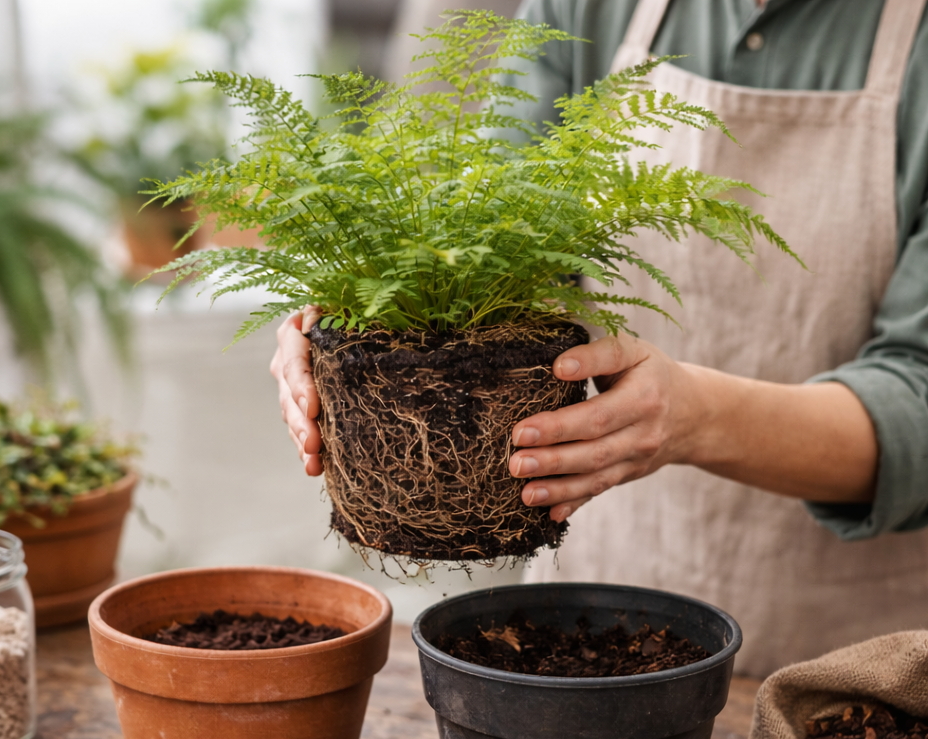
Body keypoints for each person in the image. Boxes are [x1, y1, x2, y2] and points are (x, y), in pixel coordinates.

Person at [271, 0, 928, 677]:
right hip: (589, 630)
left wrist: (694, 417)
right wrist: (354, 306)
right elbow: (492, 228)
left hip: (851, 670)